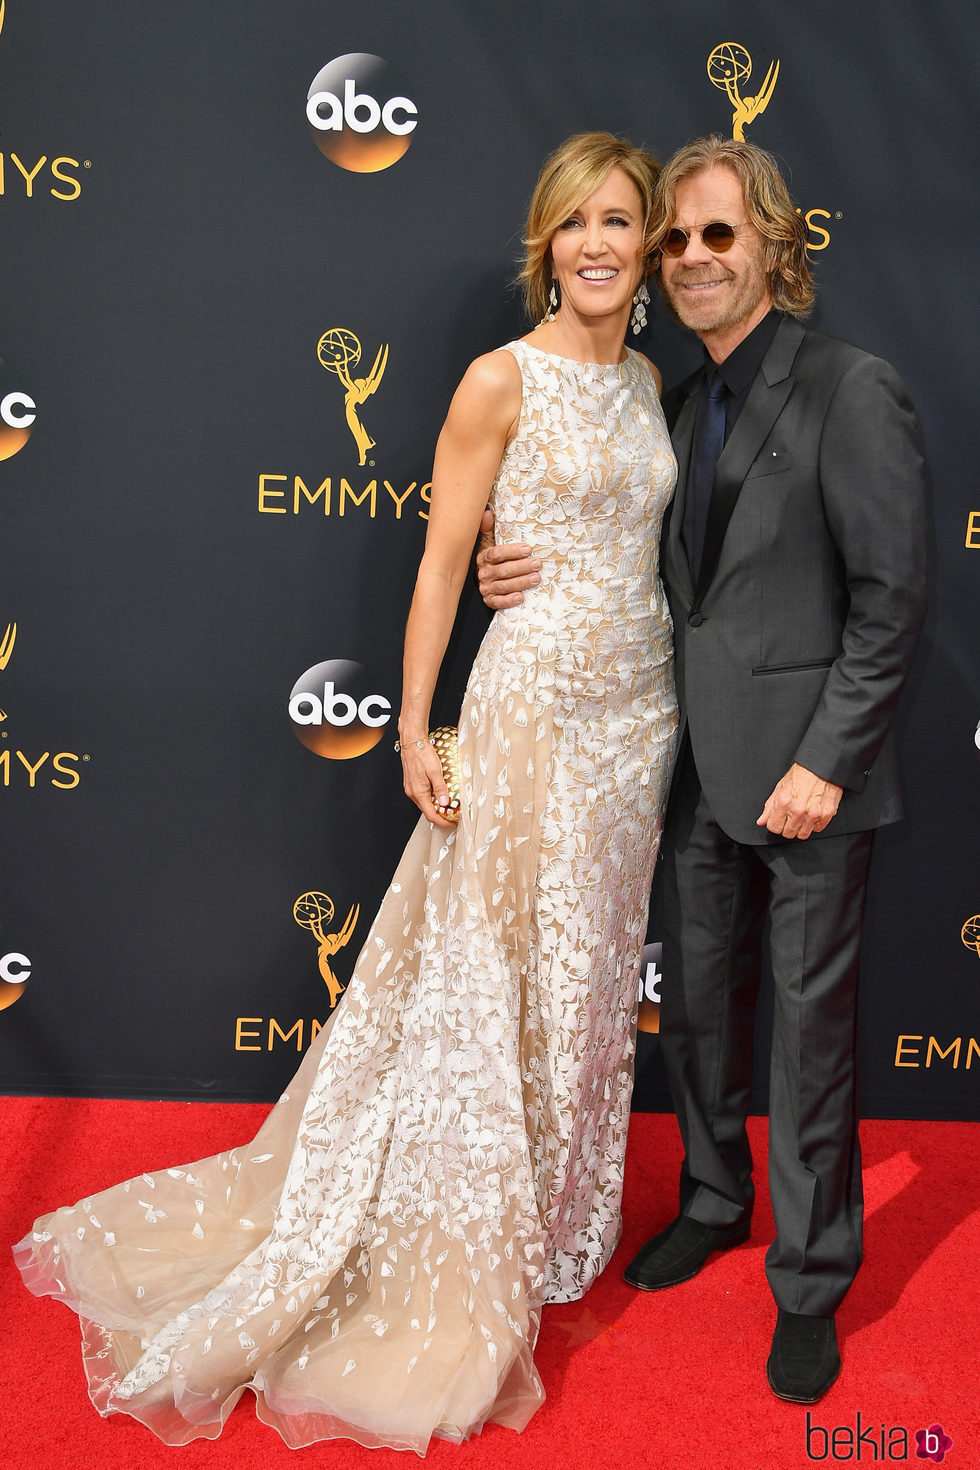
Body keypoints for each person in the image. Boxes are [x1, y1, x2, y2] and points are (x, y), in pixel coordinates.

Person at [14, 133, 678, 1452]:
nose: (597, 244)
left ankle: (548, 1213)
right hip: (535, 712)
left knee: (589, 969)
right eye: (574, 223)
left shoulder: (651, 377)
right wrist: (416, 722)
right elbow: (441, 563)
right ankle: (454, 1227)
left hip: (639, 718)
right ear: (543, 243)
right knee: (490, 972)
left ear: (649, 244)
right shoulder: (501, 380)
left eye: (620, 220)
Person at [478, 134, 927, 1406]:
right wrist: (494, 568)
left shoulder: (850, 386)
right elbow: (624, 568)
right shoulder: (665, 400)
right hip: (680, 769)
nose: (684, 259)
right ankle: (715, 1198)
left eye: (712, 235)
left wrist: (827, 765)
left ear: (774, 245)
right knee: (701, 1019)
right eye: (669, 239)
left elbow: (893, 601)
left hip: (806, 789)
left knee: (807, 1043)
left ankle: (809, 1280)